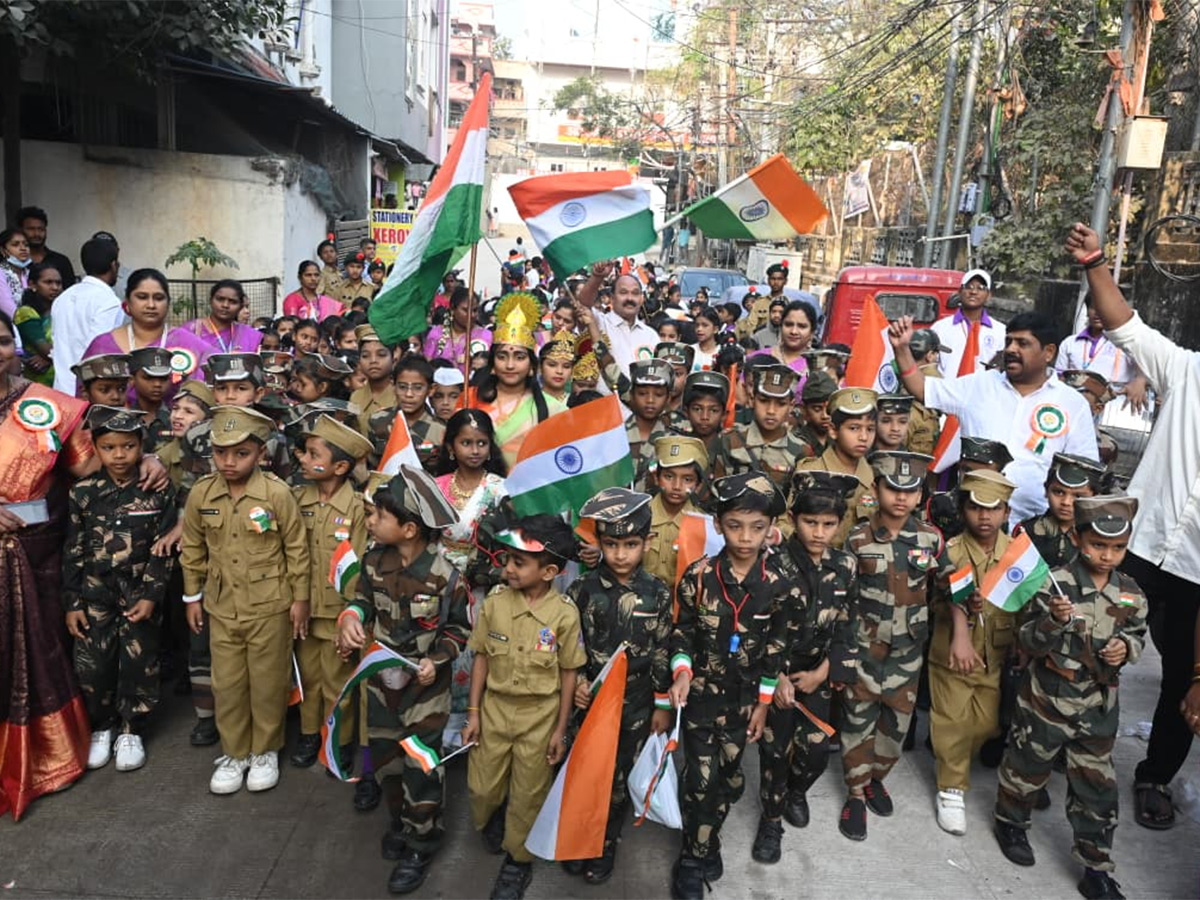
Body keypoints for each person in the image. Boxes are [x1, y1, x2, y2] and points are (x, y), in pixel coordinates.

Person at [1066, 221, 1200, 832]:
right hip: (1136, 546)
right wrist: (1095, 261)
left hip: (1196, 573)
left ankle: (1154, 779)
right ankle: (1050, 751)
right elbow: (1125, 325)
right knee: (1082, 636)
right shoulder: (1187, 372)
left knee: (1183, 680)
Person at [992, 495, 1147, 900]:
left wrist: (1125, 649)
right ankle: (1010, 824)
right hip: (1047, 698)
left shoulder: (1131, 594)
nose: (1107, 555)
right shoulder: (1053, 582)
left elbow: (1138, 636)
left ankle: (1095, 865)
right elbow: (1026, 640)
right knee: (1026, 767)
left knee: (1097, 788)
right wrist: (1052, 620)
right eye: (1098, 545)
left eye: (1117, 547)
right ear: (1078, 540)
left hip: (1098, 706)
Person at [335, 466, 469, 895]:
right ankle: (400, 820)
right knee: (386, 758)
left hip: (426, 690)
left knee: (422, 765)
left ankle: (421, 841)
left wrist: (438, 659)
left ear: (409, 528)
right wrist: (352, 618)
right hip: (381, 686)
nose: (370, 521)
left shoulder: (446, 575)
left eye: (378, 515)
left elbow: (458, 630)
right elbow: (361, 602)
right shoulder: (374, 561)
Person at [180, 406, 310, 795]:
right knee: (228, 682)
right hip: (222, 605)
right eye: (221, 453)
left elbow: (296, 548)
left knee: (268, 681)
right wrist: (192, 596)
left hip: (270, 603)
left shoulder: (276, 493)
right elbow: (192, 547)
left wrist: (300, 598)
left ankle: (265, 749)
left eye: (241, 453)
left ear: (261, 453)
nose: (229, 462)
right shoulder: (203, 494)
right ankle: (234, 752)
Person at [668, 472, 786, 900]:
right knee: (700, 779)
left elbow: (776, 649)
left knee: (729, 780)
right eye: (735, 525)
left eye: (757, 527)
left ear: (770, 529)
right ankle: (692, 857)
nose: (745, 537)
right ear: (718, 524)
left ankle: (709, 833)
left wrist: (763, 705)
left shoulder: (777, 585)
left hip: (743, 703)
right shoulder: (699, 577)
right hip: (701, 698)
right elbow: (680, 632)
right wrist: (681, 671)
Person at [0, 309, 97, 820]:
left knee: (41, 651)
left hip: (37, 554)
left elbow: (90, 470)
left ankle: (44, 759)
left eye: (0, 341)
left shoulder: (50, 406)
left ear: (14, 346)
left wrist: (147, 459)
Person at [461, 516, 585, 900]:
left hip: (540, 717)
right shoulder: (495, 603)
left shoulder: (564, 614)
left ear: (549, 571)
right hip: (495, 711)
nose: (508, 568)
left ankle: (518, 860)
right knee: (482, 789)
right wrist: (474, 713)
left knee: (529, 793)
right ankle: (494, 817)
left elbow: (568, 674)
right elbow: (480, 657)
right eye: (508, 559)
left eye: (519, 562)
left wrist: (560, 730)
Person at [891, 311, 1098, 526]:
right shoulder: (979, 385)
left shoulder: (1073, 404)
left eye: (1022, 343)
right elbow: (924, 389)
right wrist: (901, 349)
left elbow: (1084, 473)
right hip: (972, 520)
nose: (1010, 349)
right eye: (1008, 341)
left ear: (1049, 352)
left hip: (1036, 528)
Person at [838, 451, 952, 841]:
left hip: (908, 652)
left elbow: (949, 587)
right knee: (858, 719)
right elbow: (843, 598)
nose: (901, 498)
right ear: (877, 489)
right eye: (892, 488)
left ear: (921, 495)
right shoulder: (856, 538)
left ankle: (876, 777)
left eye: (911, 490)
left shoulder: (931, 539)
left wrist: (967, 604)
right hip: (865, 648)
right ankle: (855, 791)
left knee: (895, 723)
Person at [567, 488, 673, 884]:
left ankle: (604, 843)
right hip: (590, 704)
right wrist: (576, 682)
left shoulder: (658, 593)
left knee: (615, 781)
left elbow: (663, 650)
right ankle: (579, 839)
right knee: (584, 773)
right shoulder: (582, 591)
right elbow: (571, 647)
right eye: (611, 544)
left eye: (631, 544)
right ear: (599, 543)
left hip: (636, 705)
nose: (621, 555)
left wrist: (663, 705)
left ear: (647, 542)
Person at [63, 405, 177, 773]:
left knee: (139, 662)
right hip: (95, 593)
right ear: (95, 447)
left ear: (141, 446)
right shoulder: (83, 493)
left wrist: (150, 596)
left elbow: (164, 549)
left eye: (127, 447)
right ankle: (102, 726)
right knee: (94, 666)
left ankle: (132, 729)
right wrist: (73, 601)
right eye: (109, 447)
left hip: (139, 592)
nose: (119, 455)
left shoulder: (156, 490)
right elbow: (73, 550)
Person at [753, 470, 859, 863]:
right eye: (810, 522)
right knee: (774, 753)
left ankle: (797, 792)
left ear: (839, 524)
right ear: (794, 519)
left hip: (815, 673)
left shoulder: (845, 566)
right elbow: (759, 624)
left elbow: (848, 623)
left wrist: (825, 671)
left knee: (815, 753)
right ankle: (771, 820)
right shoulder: (773, 562)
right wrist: (773, 677)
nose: (818, 532)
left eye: (828, 524)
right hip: (777, 670)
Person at [927, 469, 1018, 836]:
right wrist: (965, 608)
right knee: (953, 722)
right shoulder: (951, 550)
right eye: (976, 509)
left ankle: (955, 754)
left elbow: (1027, 601)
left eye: (994, 509)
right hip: (951, 653)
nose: (985, 517)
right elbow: (941, 595)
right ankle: (951, 790)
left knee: (985, 724)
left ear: (1007, 513)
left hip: (994, 653)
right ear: (963, 510)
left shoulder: (1016, 554)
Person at [288, 416, 371, 769]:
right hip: (304, 610)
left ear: (339, 467)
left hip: (339, 612)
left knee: (338, 683)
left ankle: (338, 740)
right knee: (308, 678)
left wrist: (351, 612)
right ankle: (309, 734)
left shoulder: (357, 507)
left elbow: (361, 564)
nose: (303, 459)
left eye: (311, 453)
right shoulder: (296, 498)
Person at [80, 268, 210, 405]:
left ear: (168, 303)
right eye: (142, 297)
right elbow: (83, 398)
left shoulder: (186, 342)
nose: (151, 305)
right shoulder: (103, 345)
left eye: (158, 298)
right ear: (128, 302)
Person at [466, 294, 566, 469]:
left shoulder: (554, 410)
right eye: (502, 357)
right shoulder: (470, 399)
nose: (510, 365)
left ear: (532, 368)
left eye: (519, 357)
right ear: (492, 365)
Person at [794, 387, 879, 548]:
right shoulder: (810, 472)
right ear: (833, 430)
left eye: (870, 429)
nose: (863, 437)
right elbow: (787, 523)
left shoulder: (876, 478)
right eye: (854, 428)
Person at [713, 364, 812, 493]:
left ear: (791, 406)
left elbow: (798, 500)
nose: (771, 411)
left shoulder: (801, 450)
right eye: (763, 401)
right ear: (752, 399)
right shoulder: (729, 440)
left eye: (781, 404)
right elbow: (717, 491)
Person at [52, 238, 124, 396]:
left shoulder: (62, 298)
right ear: (113, 265)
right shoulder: (109, 301)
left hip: (60, 389)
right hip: (87, 392)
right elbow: (99, 352)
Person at [1055, 292, 1148, 415]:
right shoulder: (1070, 343)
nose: (1098, 312)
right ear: (1087, 311)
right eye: (1093, 307)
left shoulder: (1129, 342)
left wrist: (1140, 381)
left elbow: (1147, 367)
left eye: (1104, 307)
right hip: (1071, 408)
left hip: (1115, 410)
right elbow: (1058, 377)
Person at [1015, 453, 1106, 569]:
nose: (1066, 502)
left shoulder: (1100, 536)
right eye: (1058, 492)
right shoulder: (1026, 531)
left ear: (1094, 497)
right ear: (1046, 490)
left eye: (1078, 496)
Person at [576, 262, 658, 381]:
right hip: (604, 399)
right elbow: (582, 306)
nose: (629, 298)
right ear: (612, 298)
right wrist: (597, 277)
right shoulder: (599, 323)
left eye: (635, 293)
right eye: (623, 292)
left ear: (641, 299)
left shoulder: (651, 335)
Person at [643, 435, 706, 588]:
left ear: (698, 485)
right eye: (669, 476)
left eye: (687, 479)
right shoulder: (639, 516)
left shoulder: (703, 524)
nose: (677, 486)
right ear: (657, 478)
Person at [931, 269, 1007, 377]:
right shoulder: (940, 328)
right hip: (948, 392)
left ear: (989, 295)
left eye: (980, 288)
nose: (974, 292)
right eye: (969, 287)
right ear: (960, 291)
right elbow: (929, 365)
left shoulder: (1001, 332)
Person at [622, 359, 673, 491]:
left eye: (659, 394)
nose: (650, 400)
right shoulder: (616, 435)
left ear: (668, 398)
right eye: (642, 393)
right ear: (632, 395)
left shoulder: (674, 438)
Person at [15, 261, 63, 385]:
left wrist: (50, 359)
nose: (55, 287)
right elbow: (47, 351)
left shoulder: (63, 311)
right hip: (40, 383)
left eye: (58, 283)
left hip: (63, 379)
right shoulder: (25, 313)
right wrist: (51, 358)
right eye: (48, 282)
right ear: (32, 284)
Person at [183, 280, 263, 354]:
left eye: (232, 302)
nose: (225, 305)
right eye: (220, 299)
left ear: (240, 306)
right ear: (211, 300)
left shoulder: (248, 335)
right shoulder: (191, 330)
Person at [757, 299, 818, 392]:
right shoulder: (758, 359)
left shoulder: (821, 365)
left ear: (812, 332)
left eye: (802, 326)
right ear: (781, 327)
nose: (794, 331)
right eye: (788, 324)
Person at [422, 286, 492, 367]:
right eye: (466, 310)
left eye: (475, 310)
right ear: (452, 309)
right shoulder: (437, 333)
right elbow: (427, 365)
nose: (472, 315)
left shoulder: (485, 335)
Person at [906, 328, 950, 456]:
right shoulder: (938, 385)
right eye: (936, 354)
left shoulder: (899, 379)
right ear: (930, 356)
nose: (937, 358)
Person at [15, 206, 76, 288]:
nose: (36, 234)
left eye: (41, 229)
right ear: (20, 230)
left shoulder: (61, 261)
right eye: (31, 229)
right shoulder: (12, 261)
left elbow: (70, 293)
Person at [746, 262, 792, 334]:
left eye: (780, 279)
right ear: (768, 281)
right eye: (773, 279)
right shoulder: (759, 303)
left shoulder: (790, 304)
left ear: (785, 281)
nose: (776, 282)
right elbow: (751, 326)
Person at [0, 228, 30, 323]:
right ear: (3, 250)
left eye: (26, 245)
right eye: (15, 244)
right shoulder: (1, 273)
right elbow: (7, 307)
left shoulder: (31, 272)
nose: (23, 248)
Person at [689, 307, 722, 372]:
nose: (699, 329)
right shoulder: (690, 350)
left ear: (715, 329)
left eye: (705, 325)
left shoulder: (722, 352)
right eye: (697, 325)